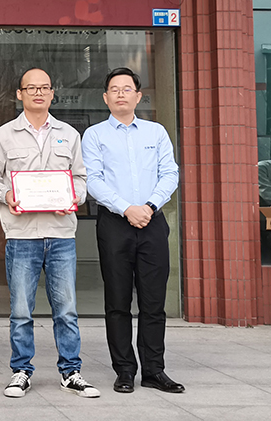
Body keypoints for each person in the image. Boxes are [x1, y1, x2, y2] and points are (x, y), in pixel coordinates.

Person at [0, 68, 98, 399]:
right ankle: (21, 371)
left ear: (52, 93)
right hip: (21, 235)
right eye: (31, 88)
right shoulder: (3, 135)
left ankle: (71, 372)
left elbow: (81, 179)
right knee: (21, 310)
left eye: (44, 87)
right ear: (20, 94)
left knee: (66, 310)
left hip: (61, 234)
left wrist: (72, 198)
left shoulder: (69, 135)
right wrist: (6, 195)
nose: (38, 93)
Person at [82, 67, 182, 395]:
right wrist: (126, 208)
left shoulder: (156, 132)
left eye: (127, 88)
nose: (121, 94)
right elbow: (93, 180)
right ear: (105, 98)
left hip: (152, 222)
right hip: (114, 224)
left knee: (153, 302)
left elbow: (170, 173)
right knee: (117, 301)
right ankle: (124, 369)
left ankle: (154, 370)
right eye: (115, 89)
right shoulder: (94, 135)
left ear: (139, 96)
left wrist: (149, 206)